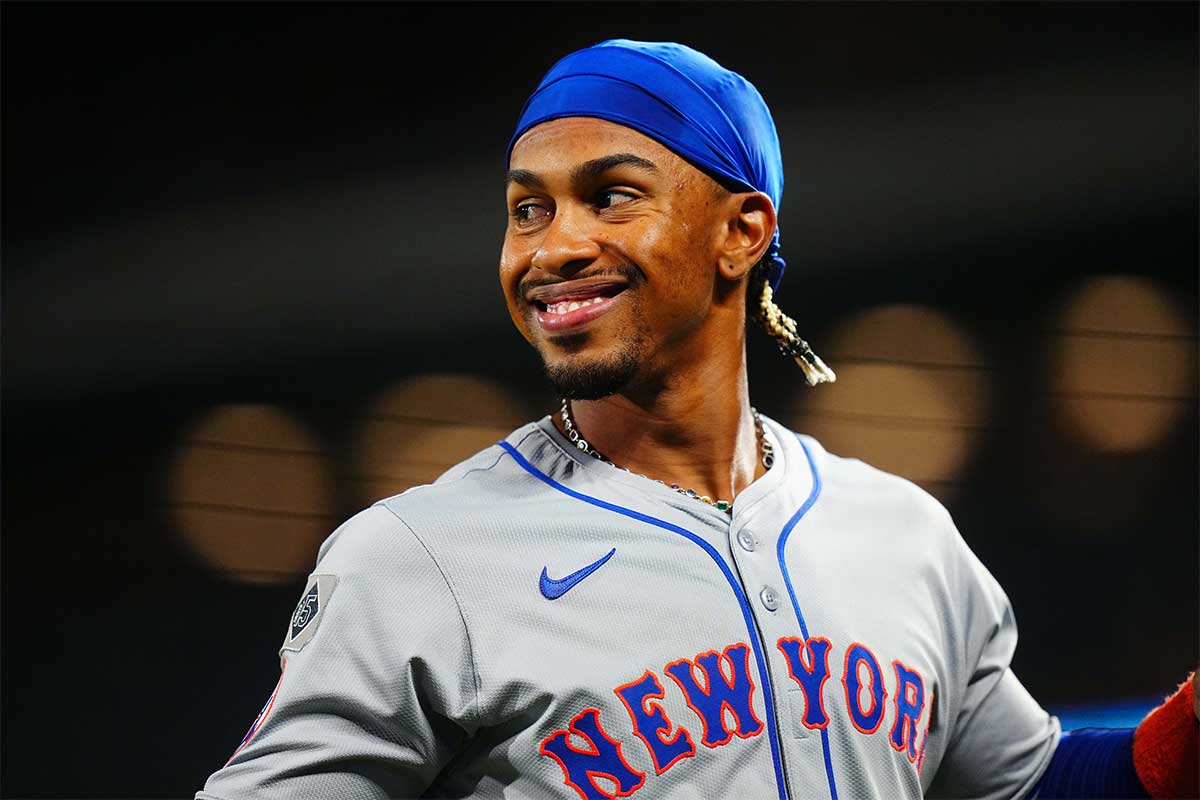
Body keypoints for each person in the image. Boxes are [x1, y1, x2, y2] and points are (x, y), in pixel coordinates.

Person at [197, 40, 1195, 800]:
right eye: (527, 209)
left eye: (611, 195)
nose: (553, 247)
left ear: (741, 231)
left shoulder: (902, 535)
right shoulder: (418, 558)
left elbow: (1026, 782)